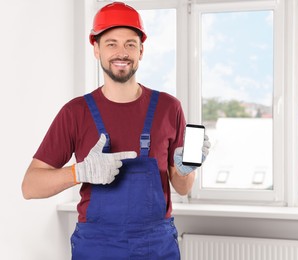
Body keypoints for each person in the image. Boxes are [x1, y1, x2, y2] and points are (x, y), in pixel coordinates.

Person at [21, 2, 210, 259]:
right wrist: (80, 171)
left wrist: (188, 169)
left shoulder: (169, 108)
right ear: (96, 49)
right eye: (111, 43)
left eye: (130, 44)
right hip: (97, 247)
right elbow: (30, 187)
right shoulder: (75, 112)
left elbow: (182, 186)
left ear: (141, 50)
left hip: (156, 246)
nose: (121, 52)